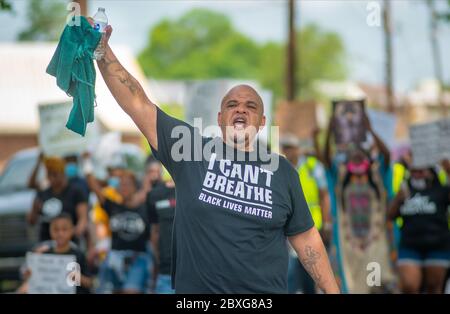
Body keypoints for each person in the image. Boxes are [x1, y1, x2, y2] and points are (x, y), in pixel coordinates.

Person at [88, 18, 339, 294]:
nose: (241, 110)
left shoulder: (283, 172)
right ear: (220, 118)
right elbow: (138, 103)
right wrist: (101, 50)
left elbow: (305, 239)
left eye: (250, 106)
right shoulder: (189, 150)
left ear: (262, 121)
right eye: (232, 105)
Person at [322, 111, 396, 293]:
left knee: (376, 287)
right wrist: (330, 131)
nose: (356, 156)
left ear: (368, 160)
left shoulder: (378, 177)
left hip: (375, 247)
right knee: (355, 288)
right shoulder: (340, 179)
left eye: (360, 155)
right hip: (350, 249)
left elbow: (386, 154)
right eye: (352, 155)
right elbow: (324, 157)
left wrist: (370, 130)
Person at [84, 164, 156, 294]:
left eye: (128, 184)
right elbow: (94, 187)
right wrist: (87, 163)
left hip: (138, 259)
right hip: (114, 259)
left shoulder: (145, 208)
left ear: (135, 187)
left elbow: (147, 188)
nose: (124, 187)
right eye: (121, 184)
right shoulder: (113, 207)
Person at [281, 133, 332, 294]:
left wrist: (327, 223)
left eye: (291, 147)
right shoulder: (281, 168)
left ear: (298, 149)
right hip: (289, 231)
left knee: (310, 275)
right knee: (291, 274)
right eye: (285, 147)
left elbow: (324, 195)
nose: (288, 151)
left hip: (312, 229)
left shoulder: (312, 166)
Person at [388, 165, 450, 294]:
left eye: (421, 171)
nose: (418, 174)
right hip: (410, 246)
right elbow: (389, 215)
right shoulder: (404, 190)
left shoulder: (442, 190)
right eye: (414, 171)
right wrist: (399, 198)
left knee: (434, 287)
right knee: (409, 286)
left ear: (430, 172)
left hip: (438, 246)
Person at [17, 213, 93, 294]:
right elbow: (24, 274)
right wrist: (28, 273)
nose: (60, 234)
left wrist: (78, 278)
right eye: (56, 229)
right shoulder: (42, 253)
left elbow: (90, 283)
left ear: (72, 230)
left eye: (64, 229)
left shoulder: (78, 254)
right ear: (50, 230)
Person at [27, 157, 89, 243]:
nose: (51, 178)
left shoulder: (76, 192)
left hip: (69, 244)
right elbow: (31, 220)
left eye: (55, 174)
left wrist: (70, 234)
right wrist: (35, 208)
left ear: (63, 173)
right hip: (46, 242)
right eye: (49, 174)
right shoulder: (43, 192)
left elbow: (83, 219)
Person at [147, 175, 176, 294]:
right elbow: (154, 230)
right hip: (166, 271)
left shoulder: (195, 188)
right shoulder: (154, 194)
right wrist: (157, 257)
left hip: (192, 272)